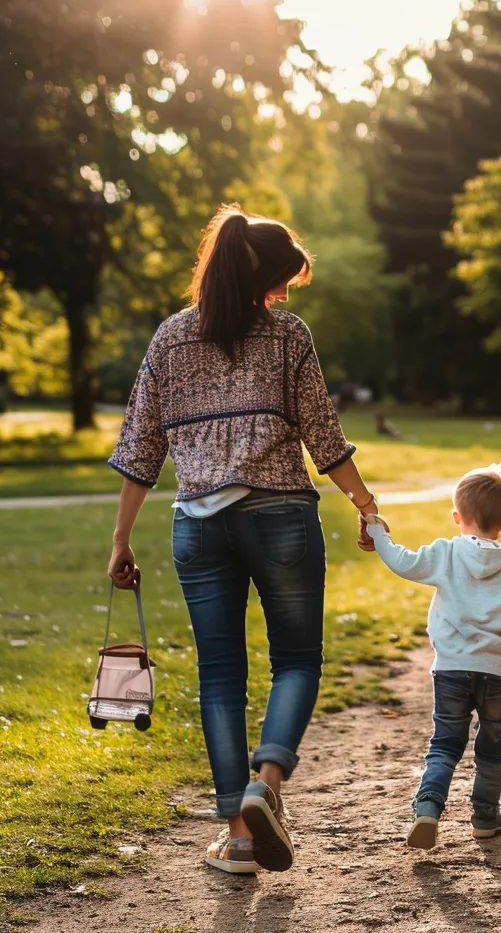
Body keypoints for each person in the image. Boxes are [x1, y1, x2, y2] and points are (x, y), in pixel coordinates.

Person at [106, 204, 379, 876]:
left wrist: (120, 540)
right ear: (262, 274)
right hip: (278, 517)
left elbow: (140, 447)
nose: (287, 295)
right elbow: (323, 434)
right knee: (296, 662)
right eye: (284, 279)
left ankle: (240, 838)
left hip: (198, 525)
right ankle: (268, 785)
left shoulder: (168, 340)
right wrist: (366, 505)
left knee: (220, 677)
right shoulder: (287, 335)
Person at [363, 465, 501, 850]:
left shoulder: (445, 553)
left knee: (445, 743)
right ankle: (485, 817)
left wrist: (378, 531)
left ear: (457, 517)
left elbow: (402, 562)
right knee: (491, 745)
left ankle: (428, 807)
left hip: (450, 670)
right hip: (496, 674)